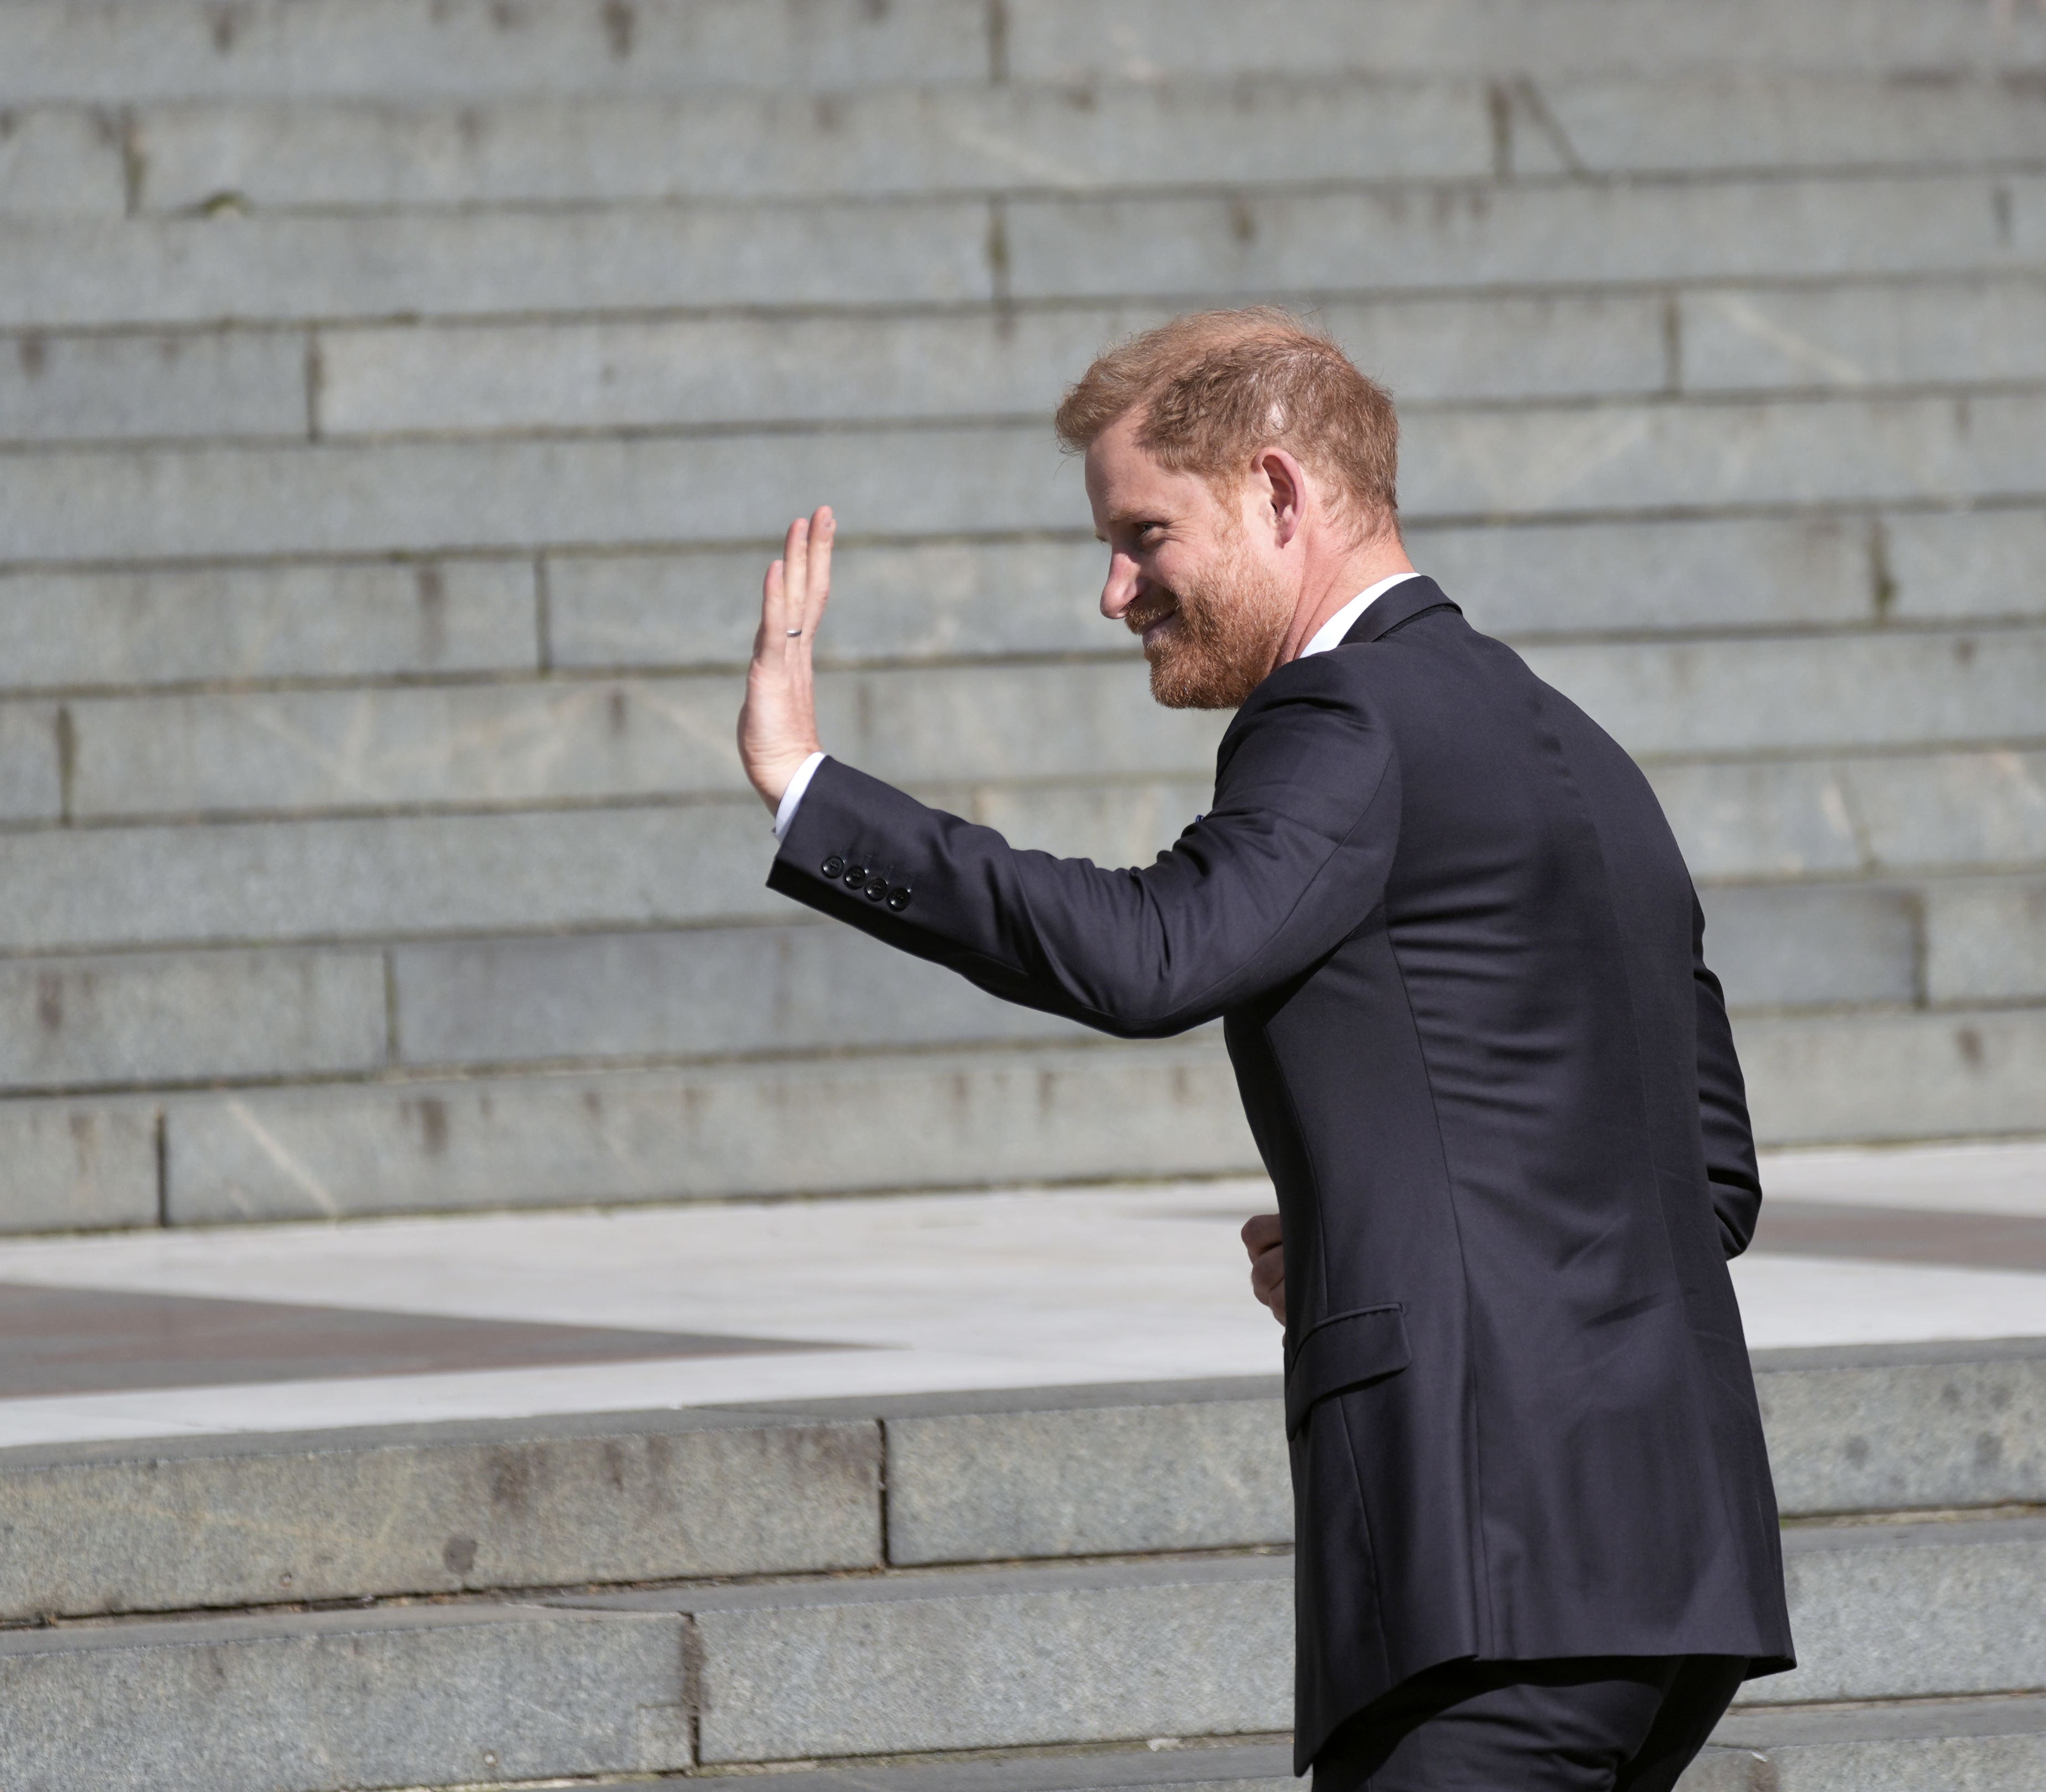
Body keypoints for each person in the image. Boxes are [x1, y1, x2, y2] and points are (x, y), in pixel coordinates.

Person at [736, 308, 1792, 1790]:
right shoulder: (1577, 747)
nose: (1116, 590)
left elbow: (1155, 951)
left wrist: (810, 790)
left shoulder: (1345, 712)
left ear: (1281, 493)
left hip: (1490, 1567)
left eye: (1145, 533)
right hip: (1672, 1574)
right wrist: (1395, 1225)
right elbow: (1706, 1180)